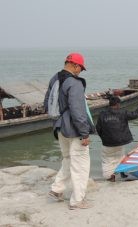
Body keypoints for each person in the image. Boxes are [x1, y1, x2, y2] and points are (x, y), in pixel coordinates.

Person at [44, 53, 95, 210]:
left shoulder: (54, 79)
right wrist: (85, 133)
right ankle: (77, 201)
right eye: (81, 68)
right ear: (75, 66)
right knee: (80, 164)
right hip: (74, 130)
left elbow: (46, 103)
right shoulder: (75, 83)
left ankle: (57, 189)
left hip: (59, 127)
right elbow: (78, 111)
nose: (80, 72)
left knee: (67, 159)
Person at [96, 95, 138, 182]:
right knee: (120, 157)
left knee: (107, 161)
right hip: (120, 143)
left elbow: (98, 129)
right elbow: (136, 114)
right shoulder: (123, 112)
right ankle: (122, 173)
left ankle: (110, 178)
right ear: (118, 104)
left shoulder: (102, 114)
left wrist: (104, 139)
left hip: (107, 144)